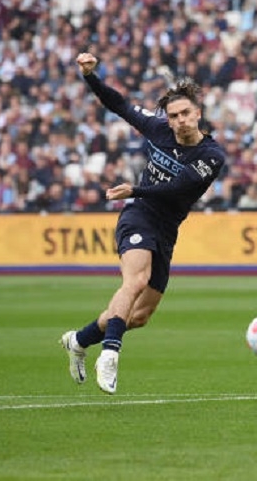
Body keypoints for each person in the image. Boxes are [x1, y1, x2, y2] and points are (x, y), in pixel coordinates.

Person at [60, 52, 226, 394]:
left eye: (185, 114)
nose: (179, 121)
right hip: (138, 215)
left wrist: (134, 187)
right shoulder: (157, 127)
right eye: (173, 116)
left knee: (139, 316)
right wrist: (91, 76)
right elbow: (118, 104)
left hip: (166, 228)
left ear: (198, 114)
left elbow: (178, 188)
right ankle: (109, 353)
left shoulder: (212, 156)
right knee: (135, 280)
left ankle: (79, 340)